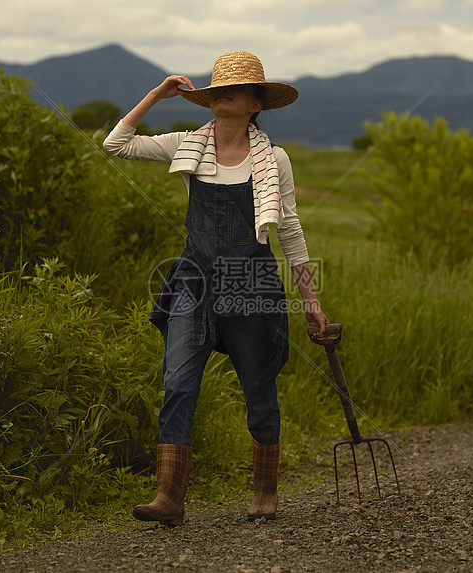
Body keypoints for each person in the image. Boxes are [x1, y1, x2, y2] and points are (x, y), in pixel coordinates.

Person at [103, 50, 328, 525]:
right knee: (177, 383)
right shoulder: (187, 144)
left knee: (258, 385)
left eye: (237, 88)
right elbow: (116, 144)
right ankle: (170, 498)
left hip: (250, 280)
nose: (223, 93)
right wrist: (157, 95)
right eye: (217, 87)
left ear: (255, 105)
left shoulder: (275, 161)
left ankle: (265, 492)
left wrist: (312, 302)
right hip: (194, 277)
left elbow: (290, 233)